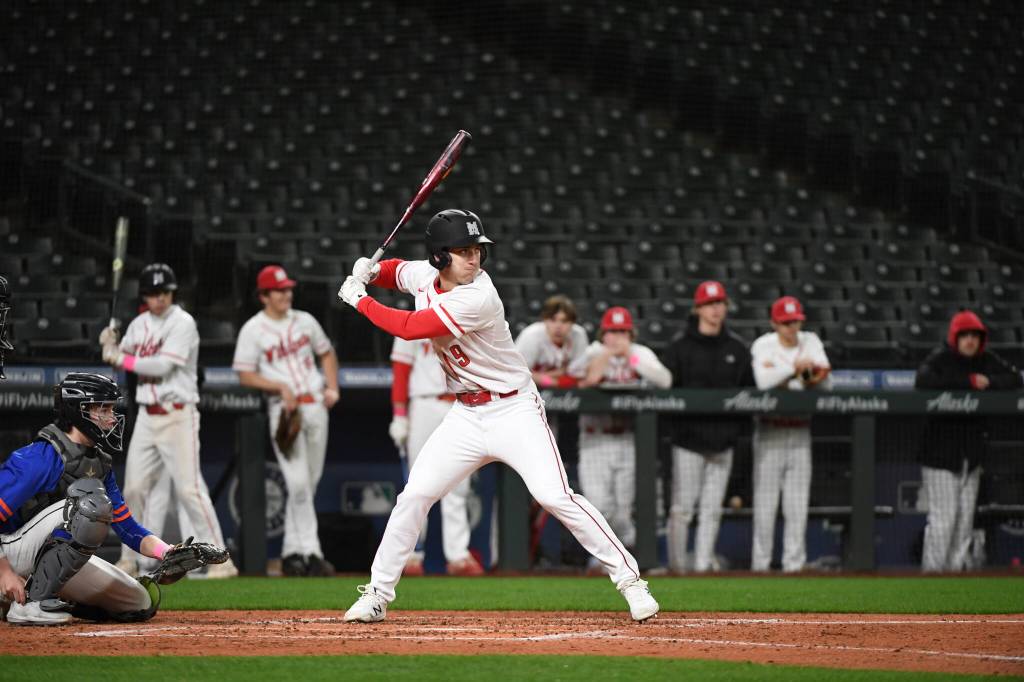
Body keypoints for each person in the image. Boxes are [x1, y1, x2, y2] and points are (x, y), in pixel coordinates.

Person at [336, 208, 658, 623]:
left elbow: (412, 327)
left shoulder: (479, 295)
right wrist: (373, 270)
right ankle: (377, 593)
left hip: (513, 409)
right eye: (464, 251)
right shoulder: (425, 274)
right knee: (414, 495)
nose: (474, 258)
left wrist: (360, 299)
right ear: (439, 257)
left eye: (478, 250)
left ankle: (631, 582)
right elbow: (399, 272)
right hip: (465, 414)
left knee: (554, 495)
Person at [0, 373, 220, 624]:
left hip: (44, 561)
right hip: (10, 551)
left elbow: (128, 529)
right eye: (102, 409)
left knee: (138, 603)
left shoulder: (99, 464)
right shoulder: (40, 456)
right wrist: (4, 572)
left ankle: (32, 595)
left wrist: (167, 553)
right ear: (77, 410)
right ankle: (30, 604)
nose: (112, 417)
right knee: (89, 504)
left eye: (111, 409)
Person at [101, 263, 237, 579]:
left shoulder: (183, 323)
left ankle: (222, 560)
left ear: (171, 293)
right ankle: (128, 559)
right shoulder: (138, 324)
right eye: (152, 293)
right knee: (133, 488)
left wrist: (120, 357)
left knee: (189, 490)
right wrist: (109, 343)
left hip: (178, 415)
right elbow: (121, 353)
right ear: (145, 296)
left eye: (164, 292)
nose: (159, 298)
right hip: (148, 417)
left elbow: (162, 366)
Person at [233, 264, 339, 577]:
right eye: (279, 290)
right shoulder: (253, 329)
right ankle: (312, 552)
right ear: (264, 296)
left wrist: (332, 387)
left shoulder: (305, 320)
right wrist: (278, 386)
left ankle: (293, 553)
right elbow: (244, 374)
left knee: (309, 482)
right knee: (298, 483)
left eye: (288, 289)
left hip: (315, 405)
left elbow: (327, 353)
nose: (286, 294)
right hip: (285, 410)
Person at [914, 310, 1023, 572]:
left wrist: (990, 382)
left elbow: (1015, 377)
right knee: (943, 520)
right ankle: (932, 576)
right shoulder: (942, 357)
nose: (970, 341)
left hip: (970, 457)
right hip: (940, 457)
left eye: (975, 336)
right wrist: (968, 382)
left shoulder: (986, 359)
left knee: (964, 523)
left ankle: (954, 579)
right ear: (955, 337)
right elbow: (923, 380)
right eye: (965, 335)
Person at [569, 306, 672, 572]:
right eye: (612, 331)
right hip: (594, 439)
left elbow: (665, 380)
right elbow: (583, 378)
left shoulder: (639, 353)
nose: (617, 336)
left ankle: (613, 557)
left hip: (627, 440)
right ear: (603, 333)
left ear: (631, 333)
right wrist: (606, 354)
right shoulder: (592, 351)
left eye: (622, 331)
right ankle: (615, 552)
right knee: (599, 505)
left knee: (623, 508)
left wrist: (631, 358)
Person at [661, 280, 754, 573]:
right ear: (698, 308)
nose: (716, 309)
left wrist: (737, 437)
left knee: (713, 511)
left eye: (720, 303)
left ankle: (701, 568)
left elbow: (748, 395)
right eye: (710, 304)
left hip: (723, 442)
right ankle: (677, 567)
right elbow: (666, 393)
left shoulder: (737, 349)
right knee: (682, 509)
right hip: (688, 442)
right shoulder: (679, 348)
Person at [749, 296, 831, 573]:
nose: (791, 327)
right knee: (765, 506)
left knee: (796, 507)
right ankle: (760, 566)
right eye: (785, 323)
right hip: (770, 430)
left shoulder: (811, 340)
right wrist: (796, 370)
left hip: (799, 433)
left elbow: (824, 382)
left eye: (795, 321)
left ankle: (793, 567)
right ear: (774, 323)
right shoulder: (764, 344)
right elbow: (763, 382)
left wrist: (789, 375)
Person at [390, 335, 483, 576]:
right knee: (417, 482)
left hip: (461, 404)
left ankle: (458, 556)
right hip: (424, 404)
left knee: (459, 484)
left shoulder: (463, 315)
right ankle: (411, 555)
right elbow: (401, 370)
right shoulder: (413, 319)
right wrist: (399, 415)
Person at [515, 295, 588, 391]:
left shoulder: (579, 335)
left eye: (564, 321)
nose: (558, 326)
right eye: (553, 320)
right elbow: (518, 374)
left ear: (572, 323)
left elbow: (578, 374)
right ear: (545, 320)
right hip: (527, 391)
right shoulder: (531, 335)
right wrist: (552, 380)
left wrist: (543, 377)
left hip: (564, 393)